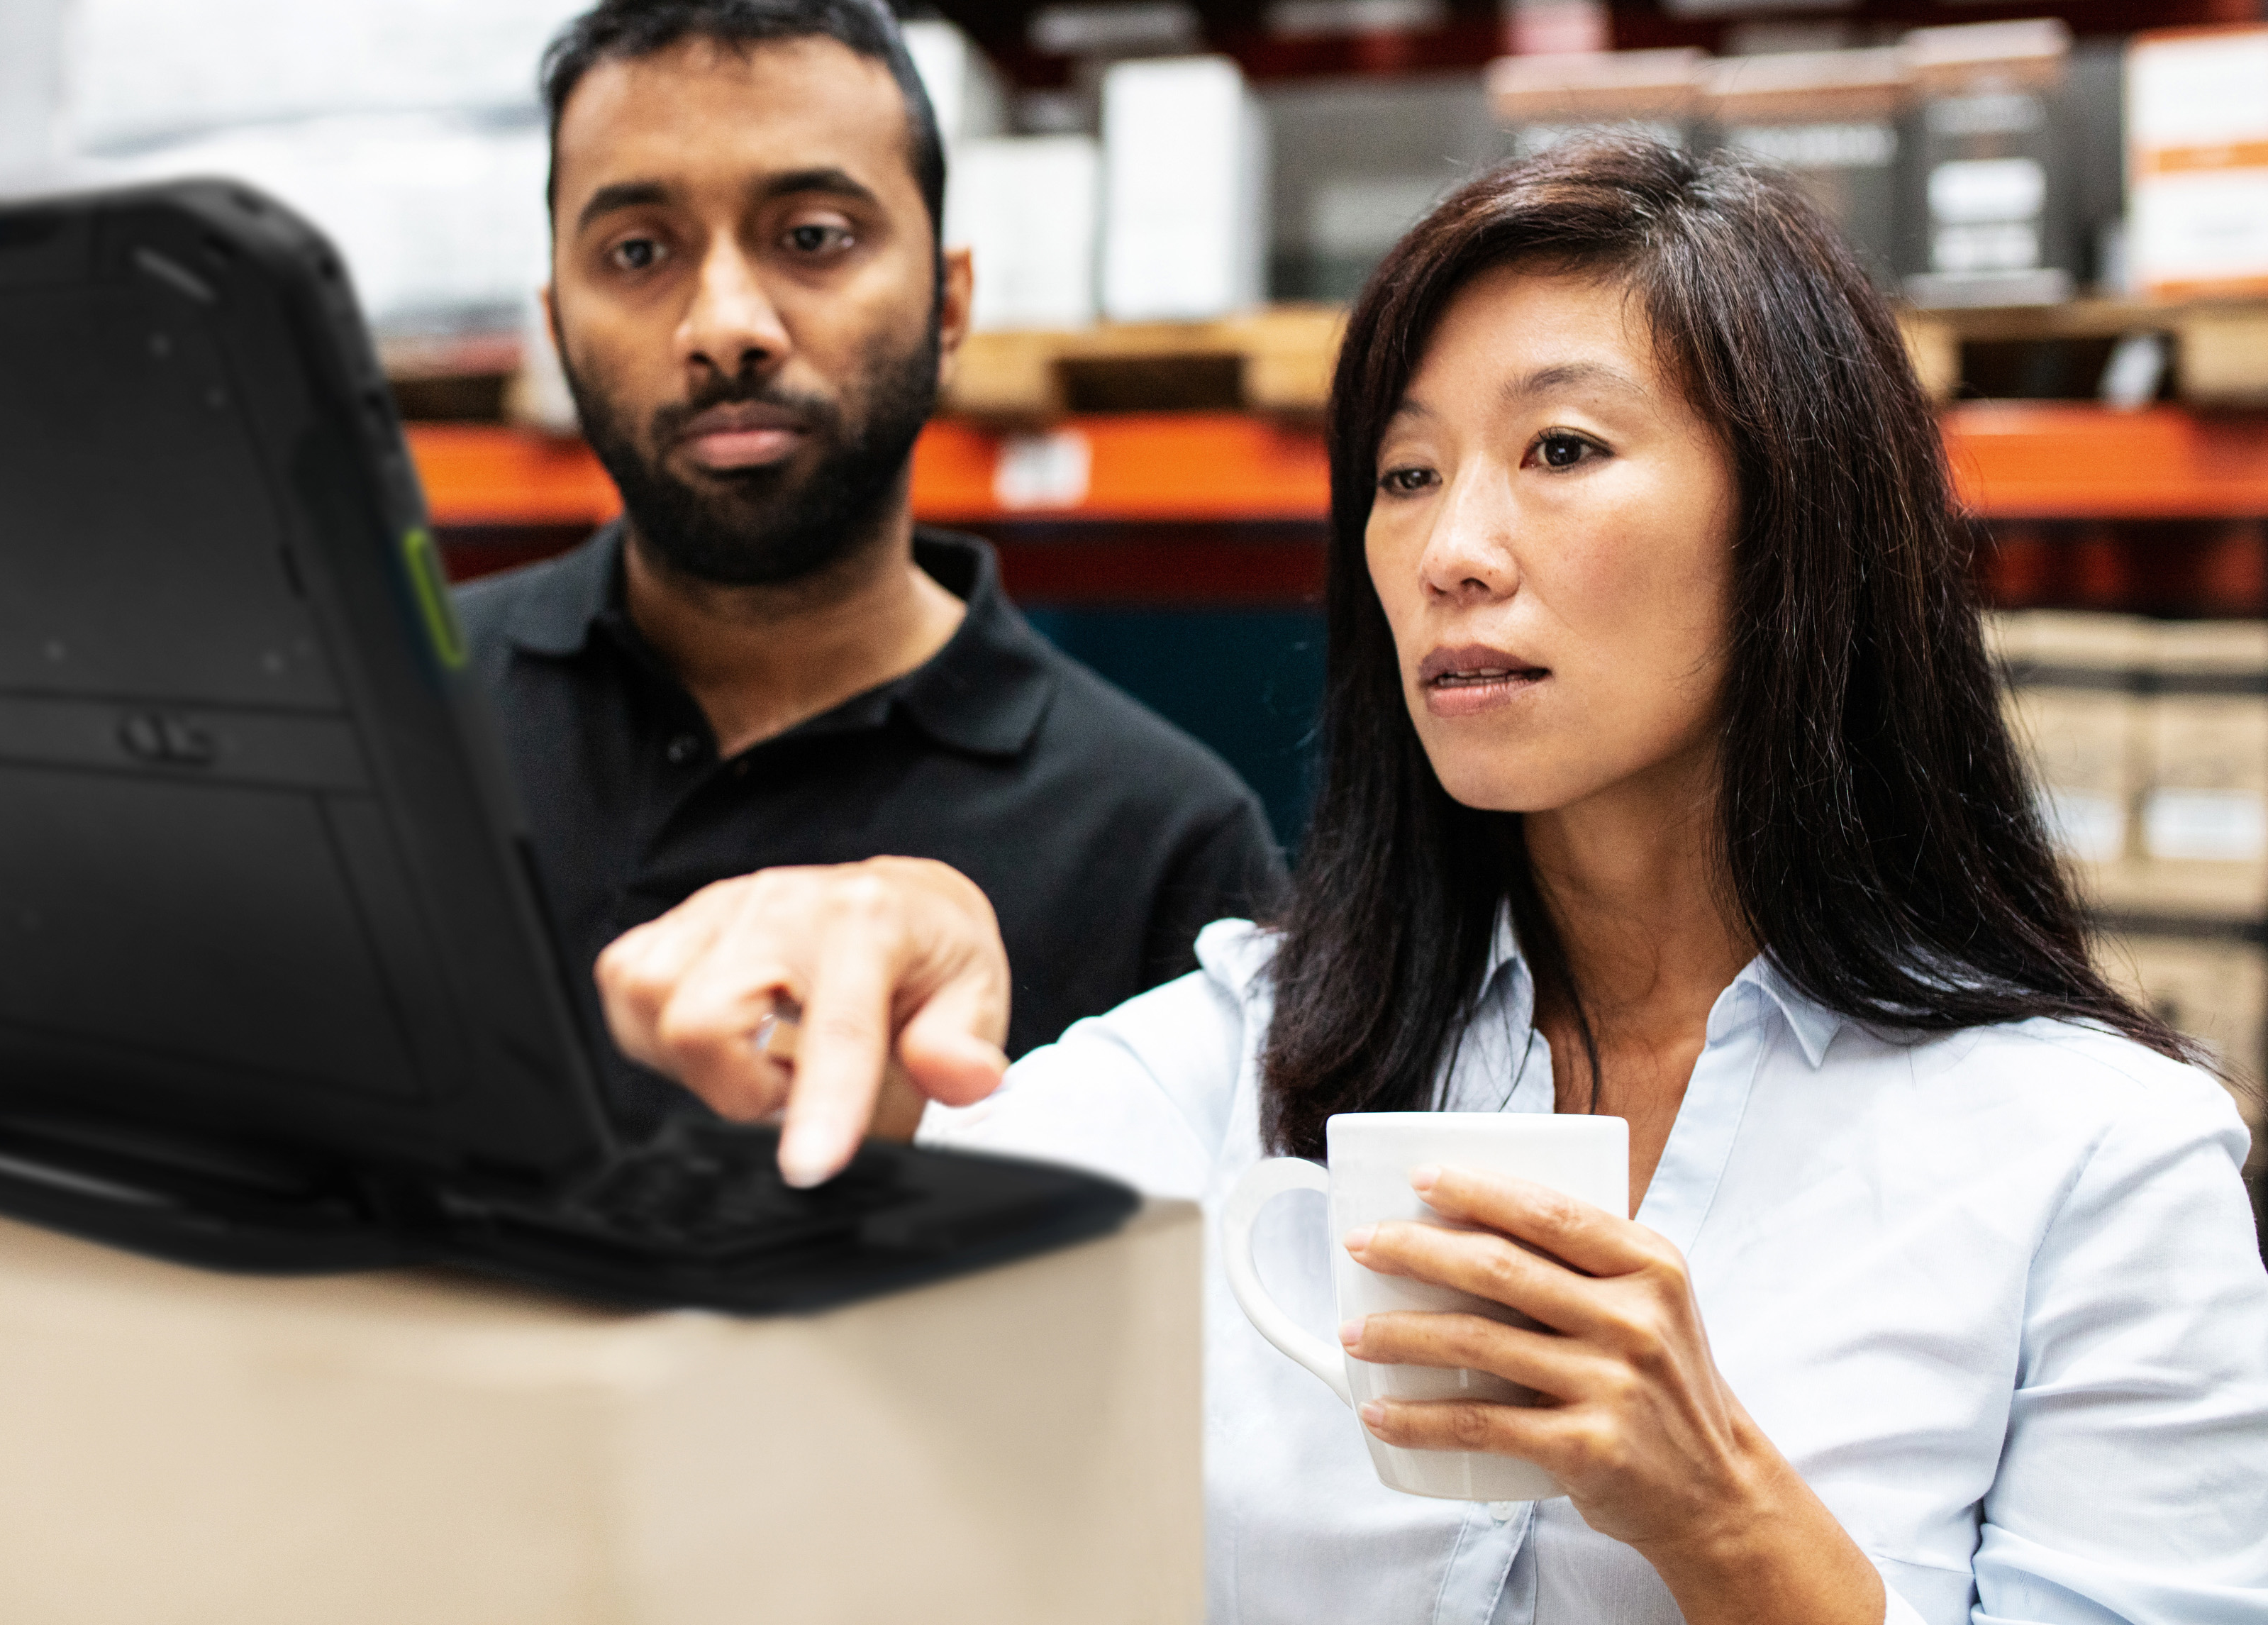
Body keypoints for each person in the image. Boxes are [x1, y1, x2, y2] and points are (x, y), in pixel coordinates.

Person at [594, 137, 2268, 1619]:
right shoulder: (1242, 1052)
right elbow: (883, 1250)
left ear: (1797, 525)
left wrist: (1728, 1525)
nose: (1453, 547)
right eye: (1406, 475)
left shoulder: (2094, 1169)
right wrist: (876, 987)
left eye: (1558, 452)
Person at [459, 0, 1284, 1136]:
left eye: (812, 238)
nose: (726, 327)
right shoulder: (388, 712)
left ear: (949, 306)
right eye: (638, 252)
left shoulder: (1163, 842)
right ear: (555, 322)